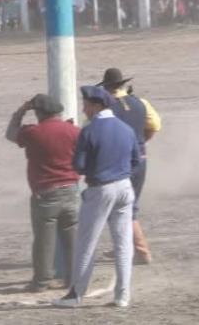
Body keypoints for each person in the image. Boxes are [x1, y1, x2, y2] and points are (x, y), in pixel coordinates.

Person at [55, 85, 140, 309]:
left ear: (96, 105)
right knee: (123, 244)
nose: (84, 108)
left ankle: (76, 294)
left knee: (86, 243)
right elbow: (135, 161)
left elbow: (79, 166)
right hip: (125, 186)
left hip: (100, 188)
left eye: (86, 104)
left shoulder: (90, 131)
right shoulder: (126, 129)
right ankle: (122, 295)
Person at [5, 93, 80, 292]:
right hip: (72, 190)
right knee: (72, 239)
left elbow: (10, 133)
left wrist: (20, 112)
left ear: (38, 113)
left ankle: (41, 281)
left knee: (44, 240)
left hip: (46, 193)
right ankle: (74, 279)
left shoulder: (33, 133)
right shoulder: (74, 131)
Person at [98, 68, 161, 264]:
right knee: (128, 205)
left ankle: (141, 250)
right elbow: (155, 126)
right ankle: (126, 247)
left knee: (120, 207)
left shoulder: (105, 108)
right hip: (140, 158)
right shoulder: (141, 103)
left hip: (117, 162)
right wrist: (141, 142)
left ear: (107, 88)